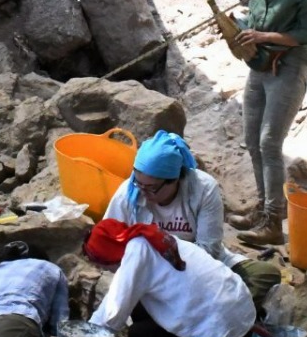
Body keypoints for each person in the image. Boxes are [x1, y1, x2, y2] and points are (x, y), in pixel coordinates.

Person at [105, 130, 284, 313]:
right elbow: (107, 242)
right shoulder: (128, 194)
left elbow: (209, 250)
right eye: (138, 182)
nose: (142, 192)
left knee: (265, 275)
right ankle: (216, 315)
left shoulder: (203, 189)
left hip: (200, 270)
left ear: (174, 180)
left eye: (151, 188)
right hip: (151, 277)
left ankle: (208, 314)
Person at [233, 0, 307, 248]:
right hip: (258, 64)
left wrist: (264, 35)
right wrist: (238, 29)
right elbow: (253, 17)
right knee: (252, 139)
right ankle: (262, 209)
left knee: (270, 142)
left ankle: (273, 220)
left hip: (289, 67)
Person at [84, 217, 257, 337]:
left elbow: (111, 313)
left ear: (109, 256)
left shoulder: (136, 255)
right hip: (244, 323)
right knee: (138, 303)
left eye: (103, 266)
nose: (106, 271)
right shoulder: (150, 238)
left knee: (139, 335)